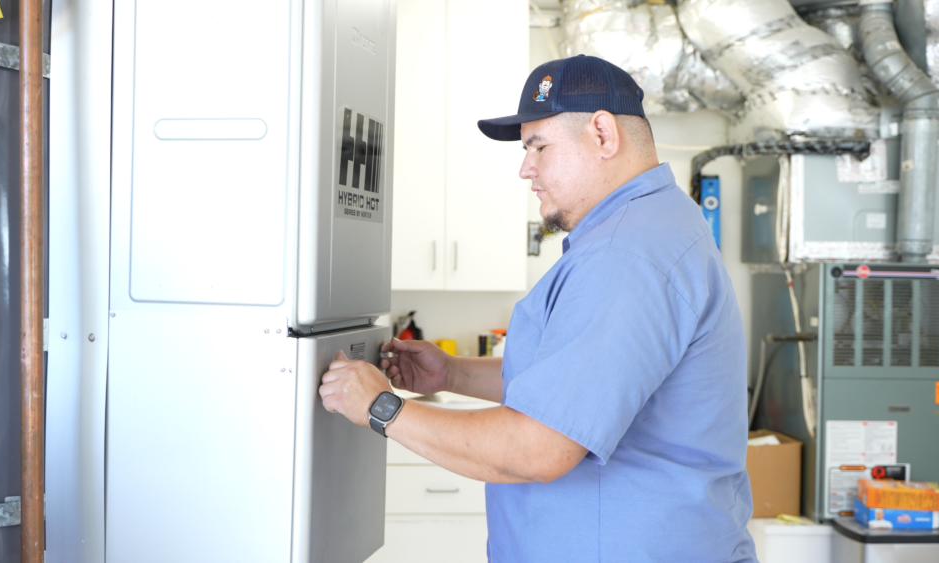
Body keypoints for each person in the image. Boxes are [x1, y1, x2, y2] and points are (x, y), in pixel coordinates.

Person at [319, 54, 757, 562]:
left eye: (539, 147)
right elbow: (586, 384)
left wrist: (382, 409)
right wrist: (454, 375)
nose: (526, 168)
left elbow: (539, 447)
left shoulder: (627, 254)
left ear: (602, 135)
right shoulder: (649, 227)